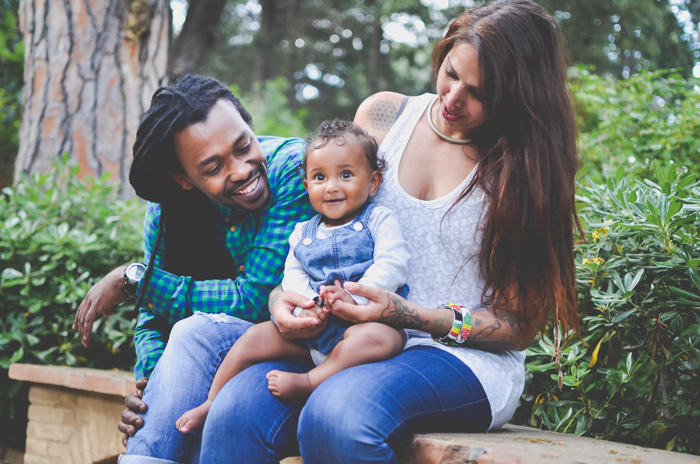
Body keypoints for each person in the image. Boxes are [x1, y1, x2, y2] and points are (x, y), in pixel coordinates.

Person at [118, 1, 581, 463]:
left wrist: (409, 314)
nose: (454, 98)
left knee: (335, 414)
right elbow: (324, 234)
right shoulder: (384, 119)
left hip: (460, 361)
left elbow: (520, 326)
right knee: (235, 410)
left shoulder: (524, 174)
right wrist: (284, 301)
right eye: (451, 73)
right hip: (341, 338)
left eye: (479, 92)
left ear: (520, 97)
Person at [73, 75, 316, 388]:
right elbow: (153, 317)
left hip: (287, 362)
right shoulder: (167, 209)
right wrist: (153, 382)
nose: (241, 170)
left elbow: (254, 300)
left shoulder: (295, 171)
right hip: (206, 362)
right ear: (182, 178)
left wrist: (135, 279)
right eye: (213, 168)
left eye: (244, 145)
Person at [175, 119, 411, 433]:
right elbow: (293, 273)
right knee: (253, 338)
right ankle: (211, 401)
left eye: (346, 174)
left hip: (364, 321)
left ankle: (310, 381)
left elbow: (393, 263)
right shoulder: (303, 232)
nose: (331, 186)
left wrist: (356, 296)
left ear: (373, 182)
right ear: (306, 185)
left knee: (383, 338)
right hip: (314, 326)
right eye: (319, 177)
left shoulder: (378, 219)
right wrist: (306, 304)